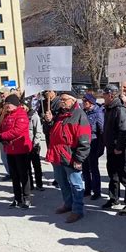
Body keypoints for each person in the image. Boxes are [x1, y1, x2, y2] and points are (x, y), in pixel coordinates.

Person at [44, 91, 91, 223]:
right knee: (61, 181)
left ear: (72, 100)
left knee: (76, 184)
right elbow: (49, 132)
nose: (61, 102)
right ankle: (68, 204)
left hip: (70, 155)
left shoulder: (79, 115)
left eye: (64, 99)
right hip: (57, 155)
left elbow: (85, 140)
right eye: (61, 99)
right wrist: (48, 122)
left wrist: (79, 159)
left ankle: (77, 210)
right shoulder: (60, 114)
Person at [102, 84, 126, 215]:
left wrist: (119, 147)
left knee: (125, 176)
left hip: (121, 148)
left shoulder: (119, 109)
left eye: (104, 94)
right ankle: (114, 198)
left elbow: (124, 130)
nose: (103, 97)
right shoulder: (108, 108)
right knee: (113, 174)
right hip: (111, 148)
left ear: (111, 95)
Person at [0, 94, 33, 208]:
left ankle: (26, 198)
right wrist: (1, 136)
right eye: (6, 104)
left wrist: (3, 136)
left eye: (8, 104)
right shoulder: (7, 115)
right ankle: (17, 198)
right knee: (14, 176)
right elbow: (1, 128)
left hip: (20, 149)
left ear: (14, 104)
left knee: (23, 175)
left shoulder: (21, 114)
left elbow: (17, 131)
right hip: (10, 149)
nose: (6, 106)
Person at [81, 93, 105, 200]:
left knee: (94, 168)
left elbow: (102, 131)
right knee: (85, 167)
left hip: (94, 143)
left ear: (91, 103)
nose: (83, 103)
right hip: (83, 143)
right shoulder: (83, 113)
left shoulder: (98, 113)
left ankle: (97, 191)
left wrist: (101, 147)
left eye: (85, 102)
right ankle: (87, 188)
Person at [23, 98, 44, 191]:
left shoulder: (34, 116)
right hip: (24, 145)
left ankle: (39, 184)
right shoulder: (21, 116)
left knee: (36, 166)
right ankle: (30, 184)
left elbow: (38, 131)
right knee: (27, 166)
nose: (22, 107)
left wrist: (35, 143)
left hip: (33, 145)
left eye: (23, 106)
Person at [0, 87, 11, 181]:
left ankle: (15, 173)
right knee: (3, 155)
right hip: (1, 133)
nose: (1, 95)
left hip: (9, 133)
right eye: (0, 93)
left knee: (11, 155)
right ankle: (10, 173)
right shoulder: (0, 105)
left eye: (3, 93)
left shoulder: (12, 104)